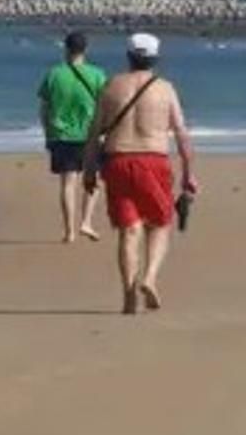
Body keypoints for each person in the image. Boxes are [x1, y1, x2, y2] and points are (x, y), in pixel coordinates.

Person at [83, 33, 197, 315]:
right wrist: (189, 173)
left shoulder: (111, 86)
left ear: (129, 56)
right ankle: (149, 278)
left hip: (118, 162)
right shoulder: (165, 89)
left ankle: (128, 295)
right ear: (155, 58)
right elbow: (181, 134)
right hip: (153, 160)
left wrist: (89, 170)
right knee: (160, 223)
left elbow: (94, 133)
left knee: (129, 229)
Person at [38, 30, 108, 244]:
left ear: (66, 48)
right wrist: (105, 132)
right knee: (93, 180)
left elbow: (44, 109)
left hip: (62, 135)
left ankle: (69, 231)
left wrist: (48, 133)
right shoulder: (97, 75)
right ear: (85, 49)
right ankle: (86, 221)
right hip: (90, 134)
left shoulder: (54, 74)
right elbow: (105, 107)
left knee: (68, 183)